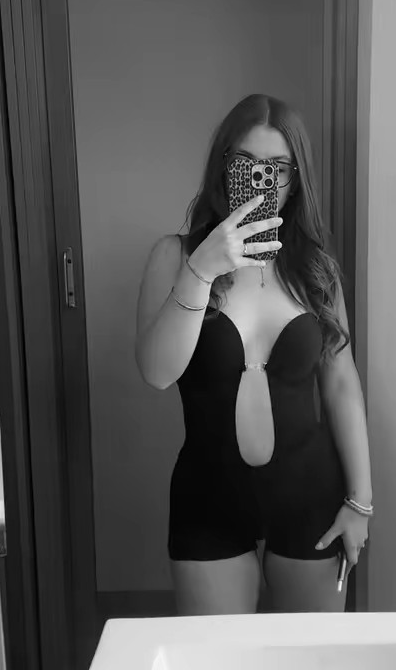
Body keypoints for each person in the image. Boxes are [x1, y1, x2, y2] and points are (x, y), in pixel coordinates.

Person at [135, 94, 373, 614]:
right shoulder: (174, 256)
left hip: (311, 496)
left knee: (312, 655)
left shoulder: (316, 270)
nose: (262, 180)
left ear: (295, 180)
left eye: (278, 168)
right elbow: (156, 372)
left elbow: (341, 383)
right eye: (245, 162)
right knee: (217, 654)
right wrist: (202, 269)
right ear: (223, 167)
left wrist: (361, 501)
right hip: (208, 500)